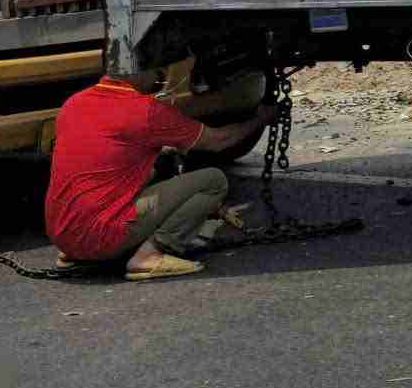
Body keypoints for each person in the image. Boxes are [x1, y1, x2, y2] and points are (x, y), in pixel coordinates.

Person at [44, 68, 277, 280]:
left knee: (152, 170)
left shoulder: (74, 103)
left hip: (63, 235)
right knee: (213, 181)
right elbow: (219, 141)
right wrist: (261, 119)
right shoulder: (145, 110)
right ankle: (149, 255)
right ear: (137, 71)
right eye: (156, 69)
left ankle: (74, 254)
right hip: (101, 238)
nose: (160, 76)